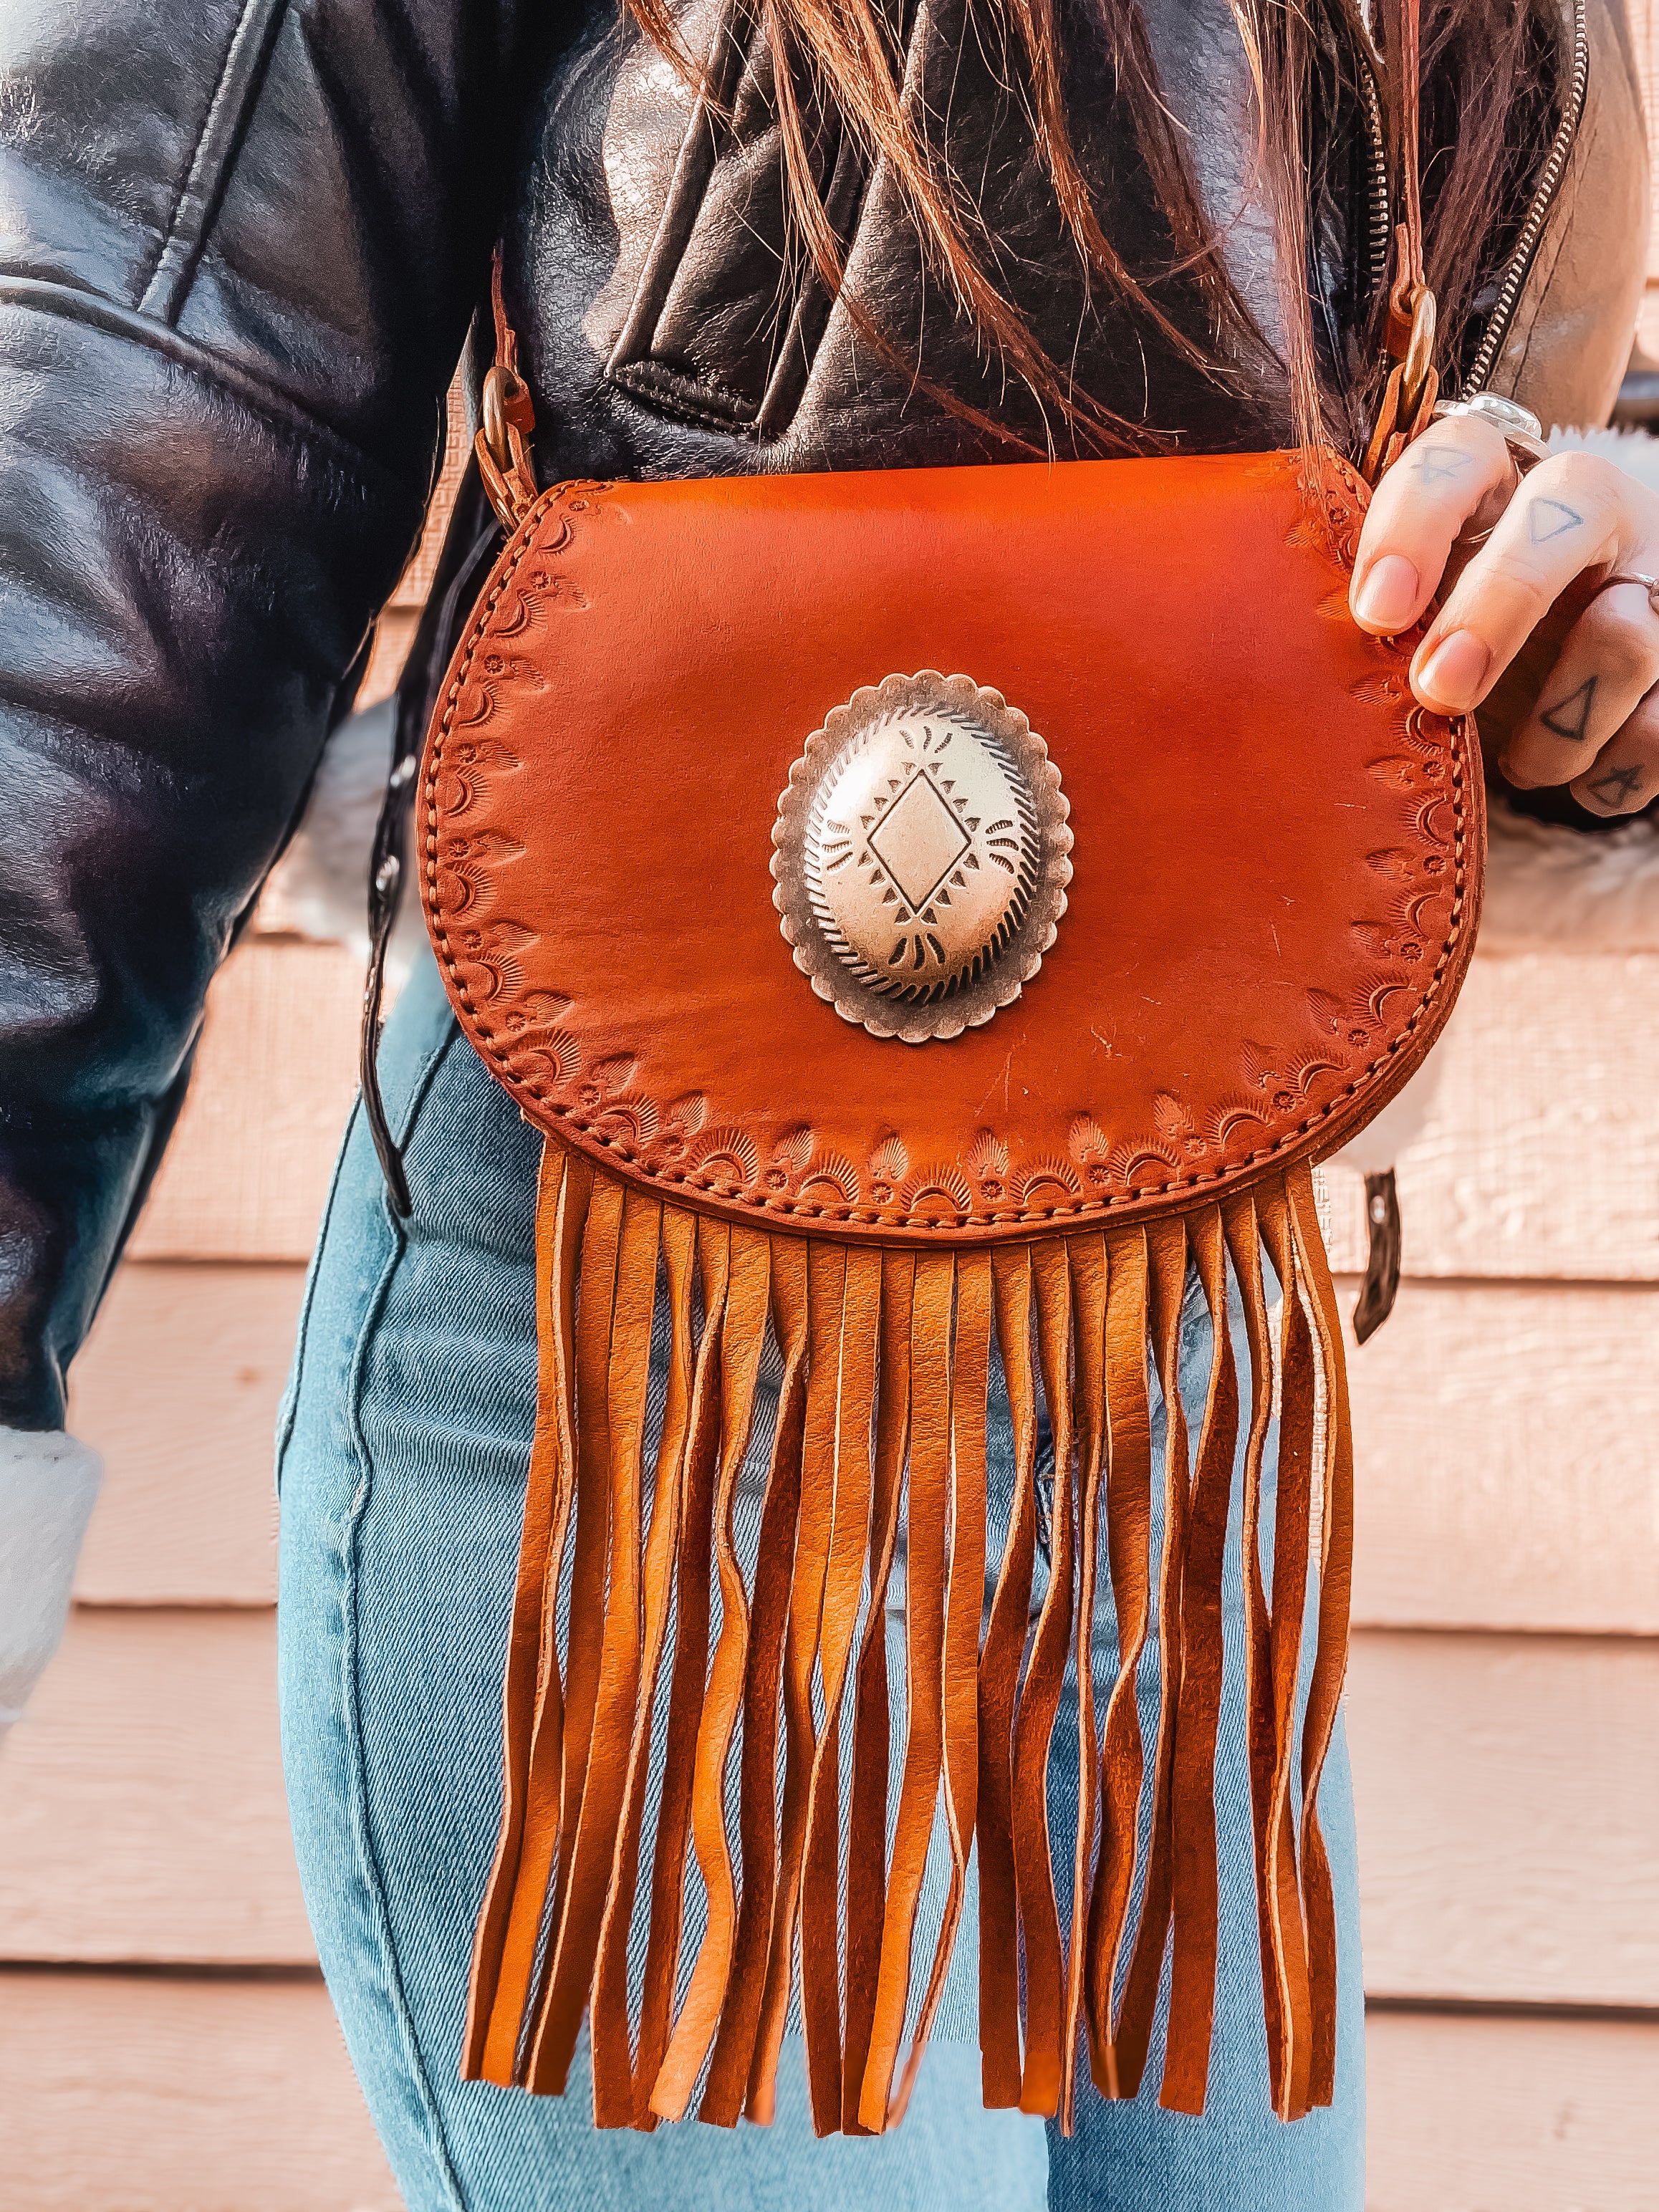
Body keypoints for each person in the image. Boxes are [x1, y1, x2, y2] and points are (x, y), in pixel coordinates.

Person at [0, 1, 1653, 2206]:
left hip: (1191, 1399)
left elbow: (1416, 326)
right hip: (647, 1356)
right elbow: (134, 383)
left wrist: (1592, 562)